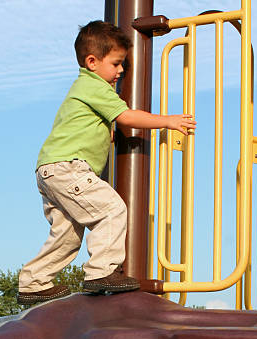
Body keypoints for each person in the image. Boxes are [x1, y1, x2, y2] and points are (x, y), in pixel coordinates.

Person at [18, 20, 196, 305]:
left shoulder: (83, 89)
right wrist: (168, 121)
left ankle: (33, 281)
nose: (121, 71)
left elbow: (85, 123)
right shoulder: (95, 86)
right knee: (112, 209)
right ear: (92, 62)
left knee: (67, 235)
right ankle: (101, 271)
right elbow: (127, 117)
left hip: (50, 170)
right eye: (116, 64)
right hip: (69, 168)